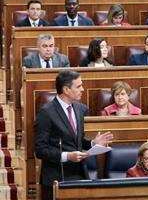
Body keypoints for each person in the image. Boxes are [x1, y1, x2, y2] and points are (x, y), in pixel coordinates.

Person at [34, 70, 113, 199]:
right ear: (66, 89)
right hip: (57, 177)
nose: (82, 89)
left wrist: (93, 143)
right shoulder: (46, 113)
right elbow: (40, 150)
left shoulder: (80, 108)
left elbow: (78, 140)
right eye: (78, 86)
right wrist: (67, 156)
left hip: (79, 174)